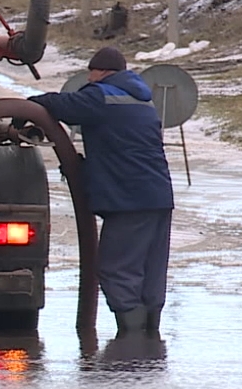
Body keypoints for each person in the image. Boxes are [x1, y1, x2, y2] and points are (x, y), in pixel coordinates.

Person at [19, 46, 175, 336]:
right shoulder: (141, 100)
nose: (88, 80)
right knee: (151, 270)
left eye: (90, 73)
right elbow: (122, 148)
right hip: (159, 196)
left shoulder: (102, 95)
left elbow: (62, 105)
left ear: (101, 72)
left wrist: (27, 106)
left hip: (130, 200)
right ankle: (149, 339)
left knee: (116, 268)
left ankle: (131, 338)